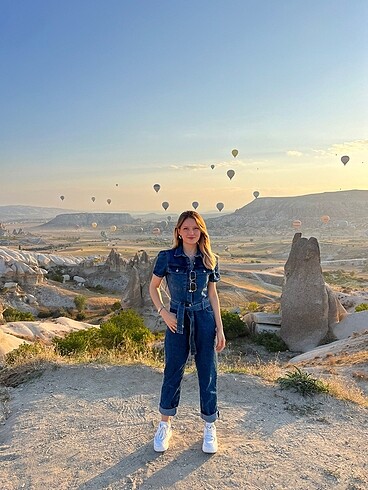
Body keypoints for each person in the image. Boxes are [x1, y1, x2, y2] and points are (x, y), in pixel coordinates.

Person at [149, 210, 226, 454]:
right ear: (178, 232)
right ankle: (165, 424)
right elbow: (154, 288)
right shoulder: (167, 257)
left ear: (201, 231)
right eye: (186, 229)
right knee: (173, 369)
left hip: (204, 317)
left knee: (208, 370)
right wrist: (164, 312)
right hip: (177, 318)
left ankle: (209, 425)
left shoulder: (210, 258)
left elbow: (213, 295)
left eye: (195, 228)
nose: (191, 233)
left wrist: (220, 328)